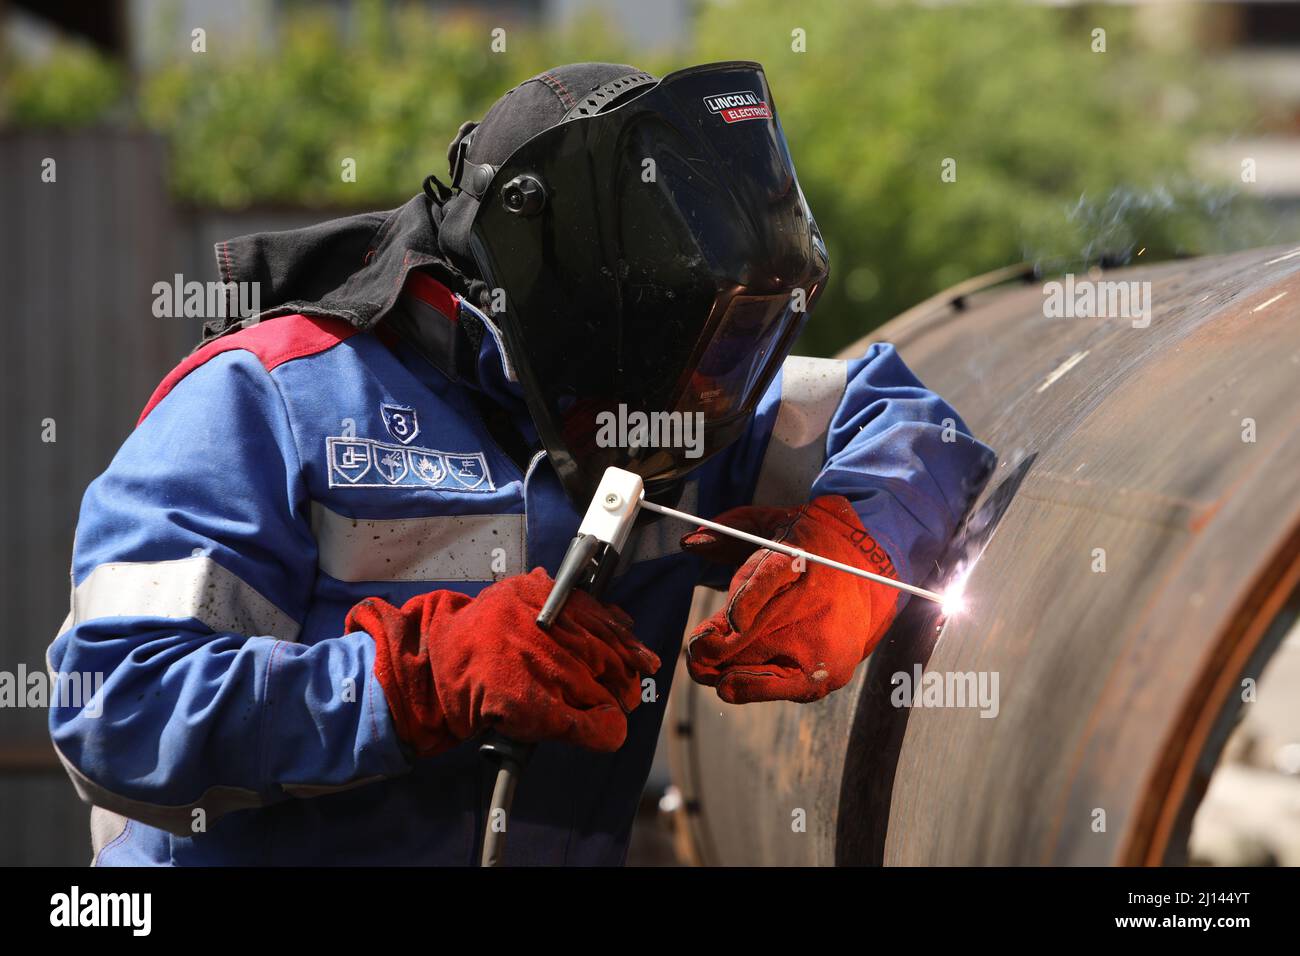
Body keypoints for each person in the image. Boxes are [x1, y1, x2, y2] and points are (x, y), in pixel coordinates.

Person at [47, 61, 995, 865]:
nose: (694, 403)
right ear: (558, 289)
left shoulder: (673, 397)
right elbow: (112, 708)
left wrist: (859, 548)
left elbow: (915, 427)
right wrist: (411, 684)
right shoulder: (267, 399)